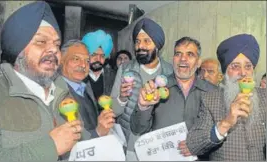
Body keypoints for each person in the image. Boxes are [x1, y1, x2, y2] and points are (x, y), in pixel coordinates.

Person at [0, 2, 84, 161]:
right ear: (18, 50)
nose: (53, 50)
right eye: (41, 41)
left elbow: (81, 136)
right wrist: (51, 146)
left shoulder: (61, 88)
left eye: (57, 44)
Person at [130, 37, 216, 160]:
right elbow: (137, 129)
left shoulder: (213, 92)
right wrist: (143, 107)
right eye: (178, 54)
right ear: (173, 59)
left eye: (190, 54)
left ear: (198, 62)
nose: (183, 59)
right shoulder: (154, 87)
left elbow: (219, 134)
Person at [186, 34, 266, 160]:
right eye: (235, 66)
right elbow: (193, 145)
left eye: (248, 66)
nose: (243, 72)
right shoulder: (210, 99)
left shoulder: (264, 97)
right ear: (225, 72)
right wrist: (226, 123)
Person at [111, 17, 173, 160]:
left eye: (147, 41)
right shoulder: (125, 69)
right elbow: (113, 111)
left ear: (157, 46)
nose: (140, 46)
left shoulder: (170, 73)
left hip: (158, 147)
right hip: (129, 146)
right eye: (137, 41)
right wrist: (121, 98)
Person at [59, 39, 115, 138]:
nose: (83, 65)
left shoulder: (85, 87)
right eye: (76, 59)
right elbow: (66, 142)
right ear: (61, 60)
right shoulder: (56, 94)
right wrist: (98, 133)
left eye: (87, 60)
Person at [82, 30, 116, 113]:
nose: (98, 59)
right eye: (94, 55)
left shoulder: (113, 76)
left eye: (102, 56)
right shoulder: (79, 76)